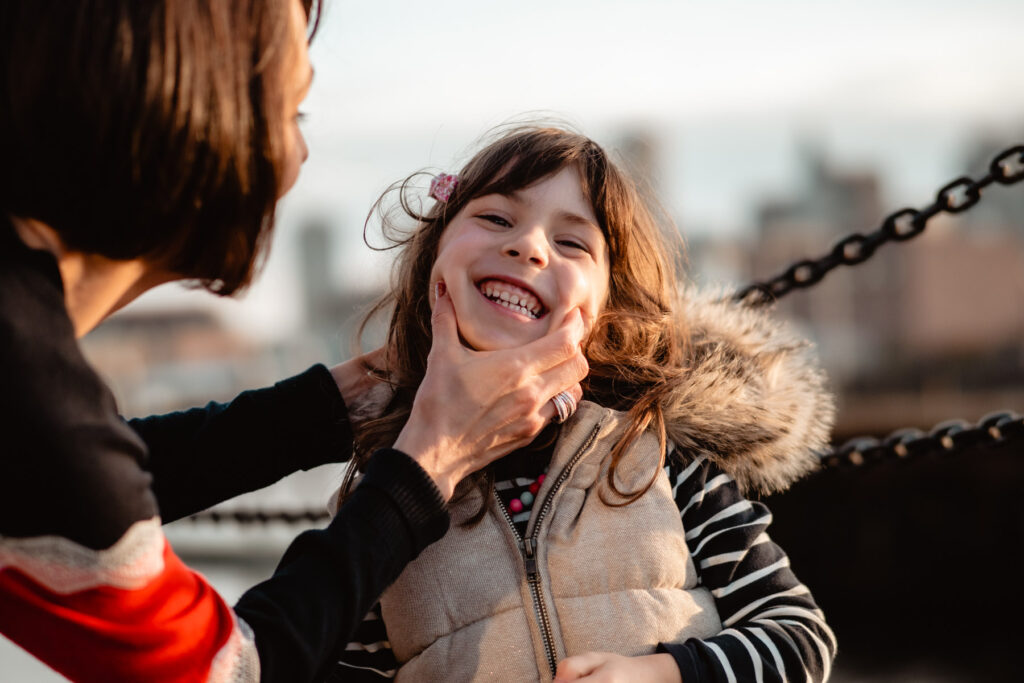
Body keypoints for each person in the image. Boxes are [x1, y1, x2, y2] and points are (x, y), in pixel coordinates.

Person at [0, 3, 587, 682]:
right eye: (292, 113)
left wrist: (351, 401)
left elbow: (68, 486)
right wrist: (435, 455)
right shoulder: (31, 398)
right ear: (183, 107)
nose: (298, 159)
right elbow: (229, 670)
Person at [329, 125, 838, 682]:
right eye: (496, 219)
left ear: (610, 303)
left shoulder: (663, 456)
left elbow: (799, 639)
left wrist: (663, 675)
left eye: (572, 243)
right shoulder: (381, 501)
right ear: (435, 255)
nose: (529, 246)